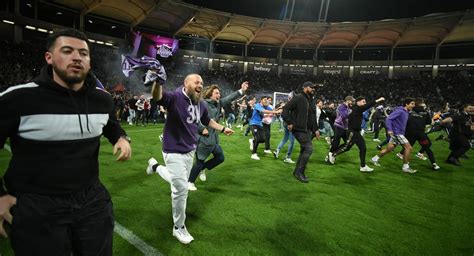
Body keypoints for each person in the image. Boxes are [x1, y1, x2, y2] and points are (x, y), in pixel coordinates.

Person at [0, 28, 132, 255]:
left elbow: (110, 124)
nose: (76, 57)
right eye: (67, 51)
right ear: (49, 57)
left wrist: (120, 138)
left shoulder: (102, 100)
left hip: (91, 200)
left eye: (83, 53)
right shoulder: (18, 98)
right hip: (37, 204)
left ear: (90, 62)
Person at [145, 73, 233, 244]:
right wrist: (157, 83)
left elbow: (207, 120)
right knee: (180, 190)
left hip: (189, 150)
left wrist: (222, 129)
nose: (200, 84)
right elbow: (158, 96)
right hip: (173, 150)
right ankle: (178, 227)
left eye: (202, 82)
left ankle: (155, 166)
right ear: (186, 83)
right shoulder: (175, 97)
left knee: (177, 181)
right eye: (196, 82)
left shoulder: (200, 104)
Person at [187, 81, 249, 191]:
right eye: (216, 93)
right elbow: (195, 119)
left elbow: (229, 98)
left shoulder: (218, 103)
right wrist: (202, 129)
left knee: (220, 158)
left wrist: (241, 90)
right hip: (203, 139)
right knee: (199, 162)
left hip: (214, 138)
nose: (219, 95)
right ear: (210, 94)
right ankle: (190, 182)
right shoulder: (203, 104)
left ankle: (203, 168)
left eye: (219, 93)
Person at [326, 96, 385, 172]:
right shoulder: (357, 108)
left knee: (362, 148)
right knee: (347, 147)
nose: (365, 103)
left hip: (356, 132)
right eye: (363, 101)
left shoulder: (355, 108)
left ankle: (363, 166)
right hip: (352, 131)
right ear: (358, 102)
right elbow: (368, 105)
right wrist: (379, 100)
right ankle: (332, 154)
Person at [282, 81, 319, 183]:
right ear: (305, 88)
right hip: (298, 129)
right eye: (311, 87)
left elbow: (313, 116)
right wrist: (289, 122)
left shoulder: (311, 100)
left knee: (304, 150)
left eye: (314, 88)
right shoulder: (298, 97)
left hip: (307, 130)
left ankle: (296, 172)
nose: (313, 89)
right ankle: (300, 173)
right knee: (308, 148)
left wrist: (315, 129)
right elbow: (285, 109)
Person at [371, 98, 417, 173]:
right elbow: (389, 119)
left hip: (398, 133)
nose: (413, 105)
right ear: (406, 104)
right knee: (408, 147)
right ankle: (405, 167)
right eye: (412, 104)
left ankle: (374, 159)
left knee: (389, 148)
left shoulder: (406, 112)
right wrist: (389, 129)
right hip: (397, 133)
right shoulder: (400, 111)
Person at [399, 99, 441, 170]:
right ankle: (434, 164)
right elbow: (429, 122)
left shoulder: (409, 111)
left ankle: (405, 163)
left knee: (408, 148)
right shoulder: (425, 113)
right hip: (420, 134)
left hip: (410, 133)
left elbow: (405, 122)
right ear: (421, 104)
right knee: (427, 148)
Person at [249, 96, 282, 160]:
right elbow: (265, 111)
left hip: (260, 124)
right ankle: (254, 154)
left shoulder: (266, 106)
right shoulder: (257, 105)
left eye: (266, 100)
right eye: (265, 100)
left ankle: (252, 141)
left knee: (263, 139)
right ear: (261, 100)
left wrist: (280, 109)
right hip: (253, 123)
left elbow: (272, 110)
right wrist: (276, 112)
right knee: (257, 138)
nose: (266, 101)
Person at [327, 96, 354, 162]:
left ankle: (332, 154)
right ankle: (331, 154)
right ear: (347, 100)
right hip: (338, 126)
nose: (352, 102)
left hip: (345, 128)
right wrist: (352, 112)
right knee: (336, 142)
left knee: (349, 143)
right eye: (351, 101)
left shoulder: (348, 107)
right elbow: (345, 116)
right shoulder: (341, 106)